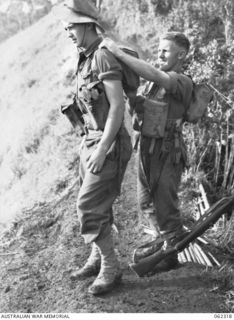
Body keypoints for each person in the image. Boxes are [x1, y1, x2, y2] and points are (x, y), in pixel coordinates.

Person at [53, 0, 132, 294]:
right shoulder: (83, 58)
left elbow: (117, 107)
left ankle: (111, 267)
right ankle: (97, 257)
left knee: (87, 206)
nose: (68, 32)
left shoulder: (102, 58)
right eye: (66, 27)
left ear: (87, 24)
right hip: (89, 141)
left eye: (71, 26)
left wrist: (101, 150)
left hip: (107, 144)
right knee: (99, 205)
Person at [101, 32, 193, 271]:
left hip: (167, 153)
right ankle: (161, 245)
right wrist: (132, 97)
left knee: (166, 208)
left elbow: (154, 74)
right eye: (159, 49)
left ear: (181, 54)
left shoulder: (182, 81)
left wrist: (118, 52)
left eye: (166, 50)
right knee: (146, 204)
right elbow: (137, 112)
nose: (159, 54)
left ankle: (170, 256)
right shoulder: (155, 84)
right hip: (146, 150)